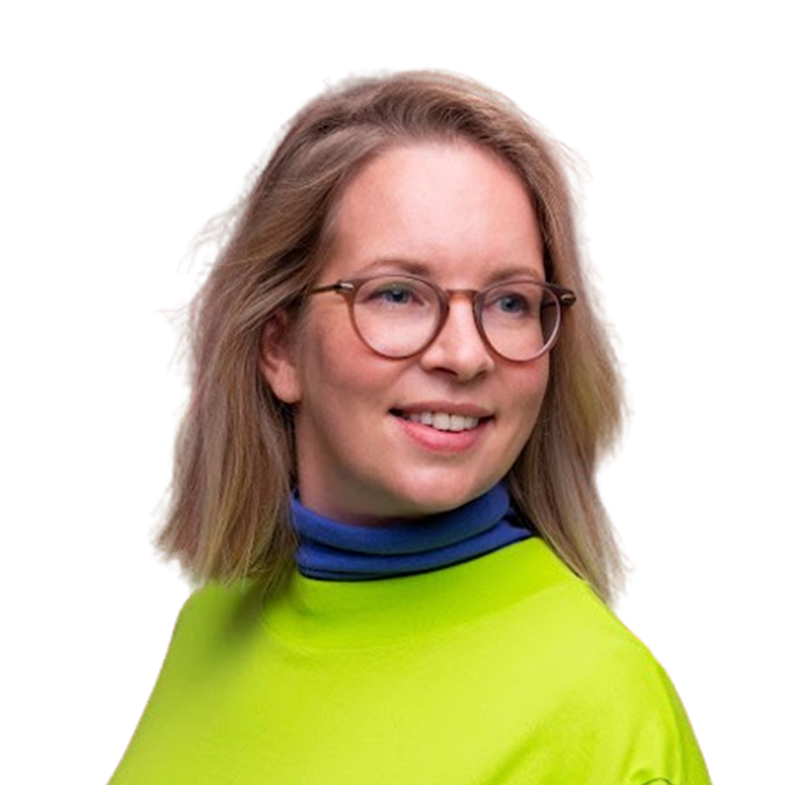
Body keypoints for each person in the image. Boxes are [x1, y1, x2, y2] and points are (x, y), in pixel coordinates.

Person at [109, 68, 711, 784]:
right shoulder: (215, 614)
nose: (464, 354)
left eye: (510, 302)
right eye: (398, 294)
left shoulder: (601, 705)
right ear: (281, 348)